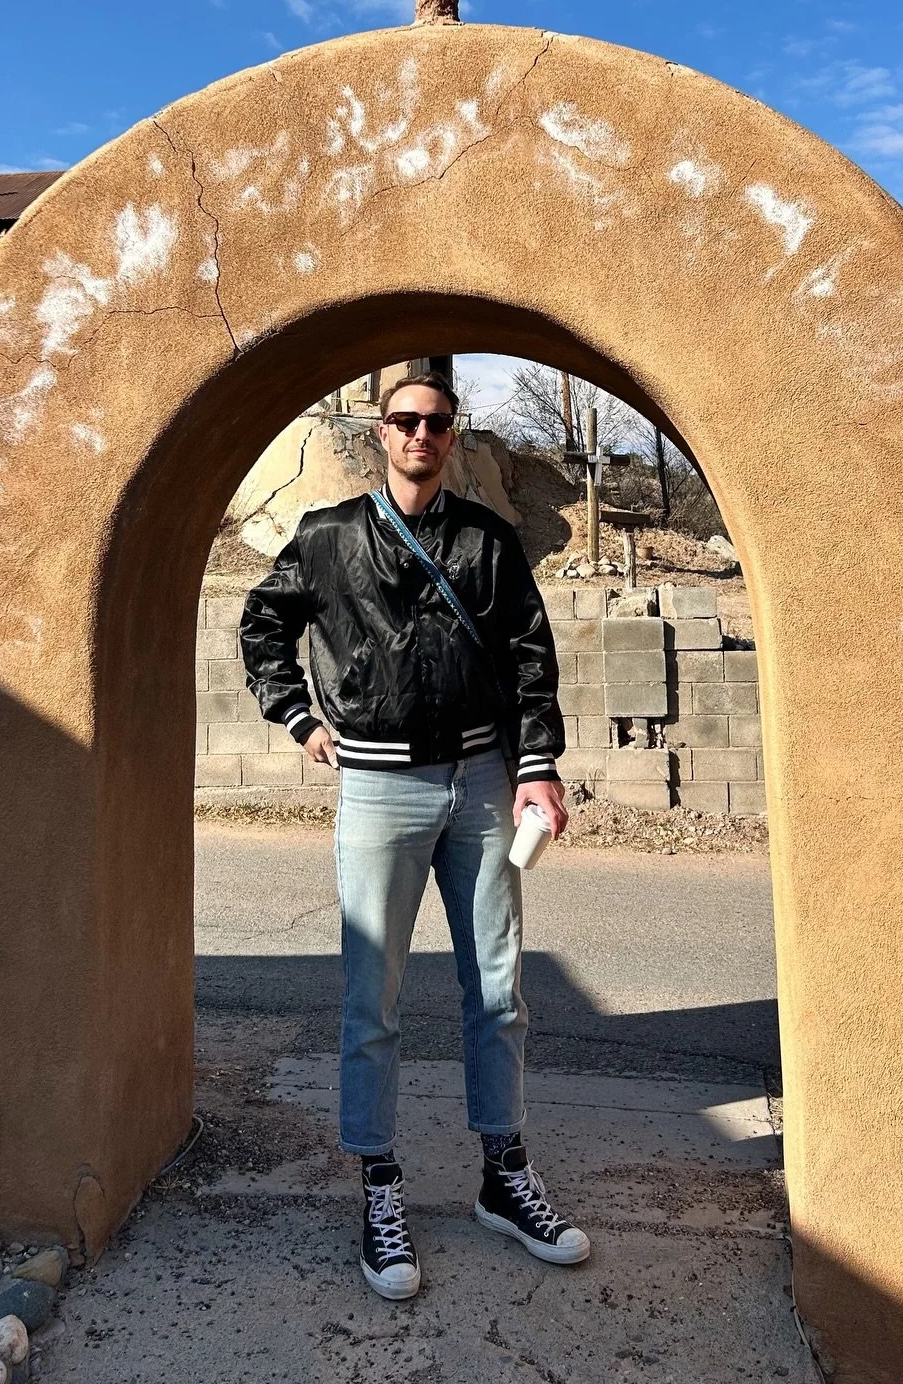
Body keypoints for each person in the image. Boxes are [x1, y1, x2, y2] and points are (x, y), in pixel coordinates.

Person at [240, 369, 591, 1300]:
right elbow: (261, 625)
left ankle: (502, 1175)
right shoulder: (326, 538)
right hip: (379, 785)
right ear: (379, 430)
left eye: (436, 422)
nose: (420, 436)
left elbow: (529, 655)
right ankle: (380, 1185)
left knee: (500, 989)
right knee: (373, 1000)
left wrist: (537, 765)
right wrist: (299, 718)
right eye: (404, 421)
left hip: (480, 781)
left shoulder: (487, 540)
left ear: (451, 432)